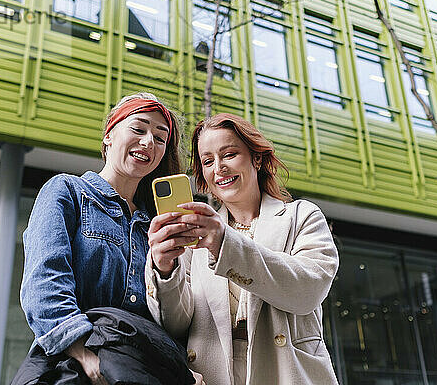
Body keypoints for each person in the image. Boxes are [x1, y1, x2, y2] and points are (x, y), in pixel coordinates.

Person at [145, 113, 340, 385]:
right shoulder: (196, 235)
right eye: (208, 161)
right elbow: (176, 323)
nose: (219, 168)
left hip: (287, 372)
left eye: (230, 154)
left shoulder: (302, 216)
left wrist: (225, 243)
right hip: (213, 374)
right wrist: (164, 270)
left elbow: (309, 290)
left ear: (256, 158)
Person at [19, 92, 195, 385]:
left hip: (141, 372)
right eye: (138, 129)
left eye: (160, 138)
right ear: (108, 136)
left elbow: (172, 318)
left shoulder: (157, 224)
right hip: (75, 367)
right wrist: (88, 358)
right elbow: (44, 283)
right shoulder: (67, 192)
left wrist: (182, 371)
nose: (148, 142)